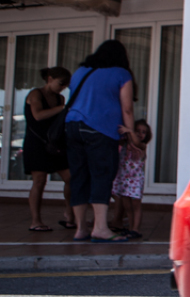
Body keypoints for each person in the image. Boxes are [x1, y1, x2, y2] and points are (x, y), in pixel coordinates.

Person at [64, 40, 140, 243]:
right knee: (102, 175)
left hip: (72, 127)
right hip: (100, 129)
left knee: (79, 176)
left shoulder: (80, 71)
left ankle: (80, 229)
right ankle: (100, 228)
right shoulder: (121, 74)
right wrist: (131, 133)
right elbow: (127, 109)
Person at [23, 66, 74, 231]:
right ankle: (36, 221)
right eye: (61, 84)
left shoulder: (60, 98)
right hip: (36, 143)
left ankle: (70, 214)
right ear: (50, 79)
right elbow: (38, 115)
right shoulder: (35, 94)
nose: (63, 88)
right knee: (39, 181)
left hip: (55, 142)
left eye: (66, 85)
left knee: (71, 178)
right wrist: (62, 109)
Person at [109, 119, 151, 240]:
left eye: (143, 132)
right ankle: (131, 228)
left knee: (136, 205)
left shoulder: (141, 146)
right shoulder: (125, 145)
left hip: (135, 180)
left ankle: (136, 228)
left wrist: (130, 131)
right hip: (124, 179)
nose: (139, 134)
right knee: (127, 205)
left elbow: (137, 143)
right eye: (137, 131)